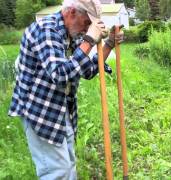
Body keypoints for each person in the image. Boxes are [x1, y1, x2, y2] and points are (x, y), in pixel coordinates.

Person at [8, 0, 124, 179]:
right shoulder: (46, 30)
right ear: (71, 12)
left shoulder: (72, 35)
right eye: (87, 23)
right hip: (40, 111)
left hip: (62, 108)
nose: (87, 29)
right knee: (57, 172)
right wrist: (89, 40)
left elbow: (88, 70)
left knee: (68, 166)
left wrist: (108, 44)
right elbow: (61, 75)